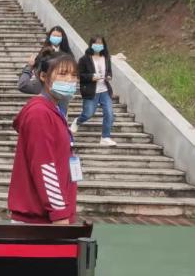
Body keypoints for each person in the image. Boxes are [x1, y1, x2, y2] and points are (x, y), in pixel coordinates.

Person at [7, 52, 80, 225]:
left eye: (73, 75)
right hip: (39, 221)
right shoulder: (39, 113)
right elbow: (44, 165)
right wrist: (59, 213)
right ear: (43, 76)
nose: (70, 80)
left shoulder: (53, 110)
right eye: (62, 74)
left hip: (46, 217)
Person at [72, 35, 117, 146]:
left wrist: (109, 77)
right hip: (91, 91)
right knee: (88, 114)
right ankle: (77, 121)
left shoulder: (106, 57)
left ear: (104, 45)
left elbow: (109, 72)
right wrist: (91, 77)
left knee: (109, 114)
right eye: (96, 43)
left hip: (104, 90)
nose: (98, 45)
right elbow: (79, 75)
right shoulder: (84, 59)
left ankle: (105, 137)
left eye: (100, 43)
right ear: (91, 44)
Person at [24, 26, 73, 114]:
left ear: (63, 38)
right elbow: (38, 67)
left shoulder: (67, 53)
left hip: (62, 87)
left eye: (58, 36)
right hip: (47, 87)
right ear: (49, 36)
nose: (56, 38)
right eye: (54, 35)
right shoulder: (44, 51)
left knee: (61, 112)